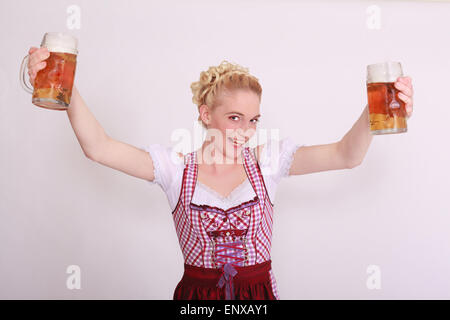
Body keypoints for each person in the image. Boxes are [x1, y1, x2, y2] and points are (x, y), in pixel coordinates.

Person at [26, 47, 414, 299]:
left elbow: (347, 155)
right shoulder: (176, 169)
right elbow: (99, 147)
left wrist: (376, 107)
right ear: (205, 114)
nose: (246, 130)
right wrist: (66, 87)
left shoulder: (267, 164)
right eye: (234, 118)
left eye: (254, 120)